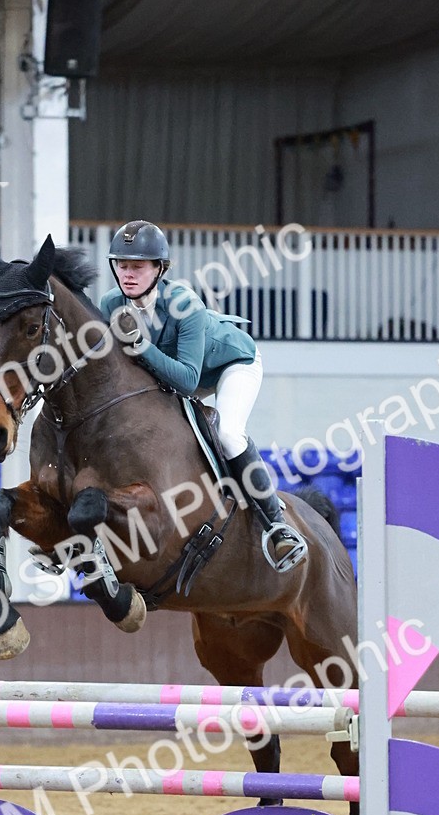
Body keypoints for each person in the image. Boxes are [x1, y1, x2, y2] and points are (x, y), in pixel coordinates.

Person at [99, 220, 307, 572]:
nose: (127, 274)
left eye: (137, 266)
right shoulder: (110, 303)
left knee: (227, 434)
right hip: (168, 375)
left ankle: (276, 524)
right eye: (121, 264)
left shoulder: (185, 305)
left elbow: (187, 379)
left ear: (159, 269)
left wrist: (141, 345)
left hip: (229, 366)